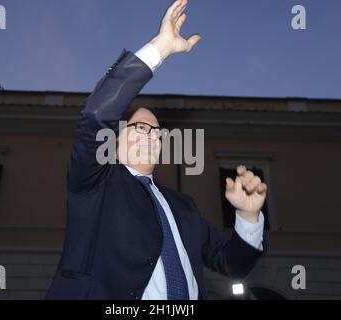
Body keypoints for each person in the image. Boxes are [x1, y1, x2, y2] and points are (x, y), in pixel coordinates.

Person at [46, 0, 267, 300]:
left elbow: (232, 264)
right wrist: (160, 48)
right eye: (141, 128)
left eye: (157, 132)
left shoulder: (183, 206)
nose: (152, 137)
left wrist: (248, 217)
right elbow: (96, 114)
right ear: (115, 137)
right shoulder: (94, 183)